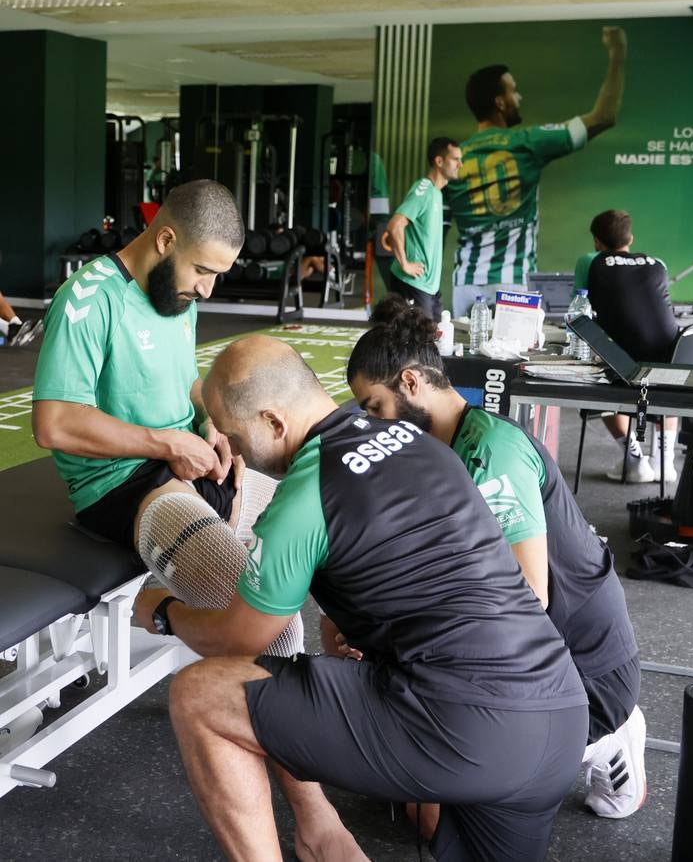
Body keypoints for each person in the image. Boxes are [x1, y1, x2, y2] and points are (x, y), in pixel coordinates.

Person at [134, 334, 588, 862]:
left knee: (201, 695)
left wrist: (165, 612)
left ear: (274, 423)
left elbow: (240, 637)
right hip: (558, 715)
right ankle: (321, 837)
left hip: (466, 729)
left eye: (234, 437)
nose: (231, 452)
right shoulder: (420, 443)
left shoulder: (305, 497)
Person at [345, 295, 646, 827]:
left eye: (373, 407)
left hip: (584, 670)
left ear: (411, 384)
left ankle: (608, 739)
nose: (370, 424)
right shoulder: (436, 447)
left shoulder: (491, 455)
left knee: (434, 814)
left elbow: (529, 596)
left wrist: (410, 638)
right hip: (529, 655)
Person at [32, 179, 248, 552]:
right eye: (201, 270)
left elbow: (185, 378)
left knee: (308, 540)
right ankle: (158, 610)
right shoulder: (90, 299)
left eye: (217, 275)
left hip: (186, 456)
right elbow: (54, 424)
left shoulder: (178, 294)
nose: (207, 290)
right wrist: (168, 446)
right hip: (119, 480)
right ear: (165, 241)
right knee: (223, 573)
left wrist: (210, 422)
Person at [444, 26, 627, 318]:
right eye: (513, 91)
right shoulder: (527, 142)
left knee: (466, 360)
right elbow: (604, 117)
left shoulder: (455, 157)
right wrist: (617, 52)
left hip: (465, 284)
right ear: (499, 103)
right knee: (515, 362)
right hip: (514, 283)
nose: (520, 97)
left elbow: (438, 225)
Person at [575, 209, 680, 483]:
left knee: (596, 375)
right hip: (670, 363)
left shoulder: (590, 261)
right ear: (630, 237)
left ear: (597, 241)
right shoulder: (658, 262)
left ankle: (634, 461)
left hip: (622, 365)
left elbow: (580, 310)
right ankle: (665, 462)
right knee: (667, 384)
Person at [382, 137, 462, 321]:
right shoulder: (424, 189)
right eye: (456, 159)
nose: (460, 164)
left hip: (429, 288)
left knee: (434, 341)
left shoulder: (436, 193)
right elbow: (394, 226)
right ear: (439, 161)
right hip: (413, 284)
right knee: (414, 343)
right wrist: (405, 264)